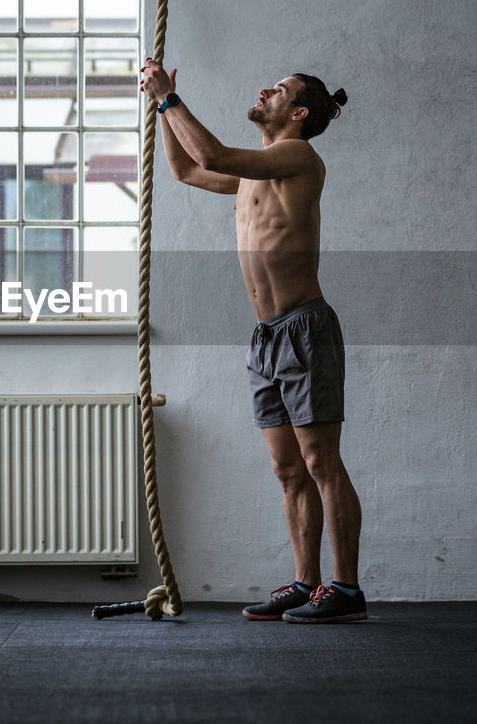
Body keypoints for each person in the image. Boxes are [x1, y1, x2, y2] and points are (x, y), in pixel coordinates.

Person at [138, 58, 365, 623]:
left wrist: (170, 99)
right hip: (265, 337)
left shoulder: (298, 157)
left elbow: (211, 154)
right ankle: (304, 582)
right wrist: (161, 109)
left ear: (298, 113)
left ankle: (347, 590)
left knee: (321, 462)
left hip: (305, 328)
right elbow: (188, 171)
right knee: (287, 469)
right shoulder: (256, 174)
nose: (265, 90)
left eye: (280, 90)